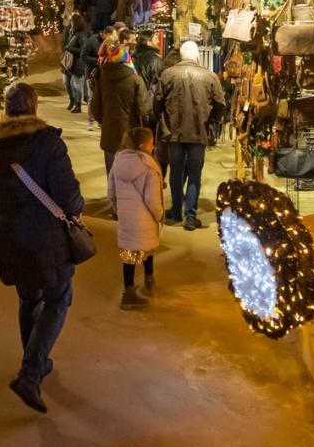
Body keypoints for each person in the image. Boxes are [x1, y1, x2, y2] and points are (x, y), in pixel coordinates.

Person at [0, 82, 85, 414]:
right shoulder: (48, 143)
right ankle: (31, 370)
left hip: (8, 235)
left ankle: (33, 358)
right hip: (46, 238)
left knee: (29, 297)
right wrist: (77, 208)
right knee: (57, 298)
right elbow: (68, 197)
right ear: (35, 108)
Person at [155, 40, 226, 230]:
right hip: (199, 131)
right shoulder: (210, 77)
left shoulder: (168, 74)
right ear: (197, 55)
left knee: (176, 172)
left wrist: (160, 121)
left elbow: (157, 103)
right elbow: (220, 104)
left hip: (173, 132)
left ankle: (176, 210)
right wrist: (211, 122)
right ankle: (191, 215)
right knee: (194, 174)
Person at [108, 127, 163, 310]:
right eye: (151, 142)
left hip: (126, 217)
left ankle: (129, 289)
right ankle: (149, 282)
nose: (153, 146)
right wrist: (159, 214)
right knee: (147, 249)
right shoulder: (149, 166)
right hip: (145, 217)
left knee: (130, 255)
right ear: (143, 145)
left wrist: (118, 209)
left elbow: (111, 190)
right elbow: (152, 198)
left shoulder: (118, 161)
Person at [91, 41, 152, 177]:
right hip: (130, 135)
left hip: (109, 133)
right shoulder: (136, 80)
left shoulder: (102, 79)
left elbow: (95, 109)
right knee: (130, 175)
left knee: (112, 174)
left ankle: (114, 198)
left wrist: (105, 121)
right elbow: (143, 109)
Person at [62, 13, 90, 113]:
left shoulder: (81, 35)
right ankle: (74, 102)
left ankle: (78, 105)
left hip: (78, 63)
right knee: (70, 83)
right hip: (71, 62)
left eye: (72, 21)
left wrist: (69, 48)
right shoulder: (71, 32)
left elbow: (83, 50)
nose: (71, 23)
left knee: (76, 84)